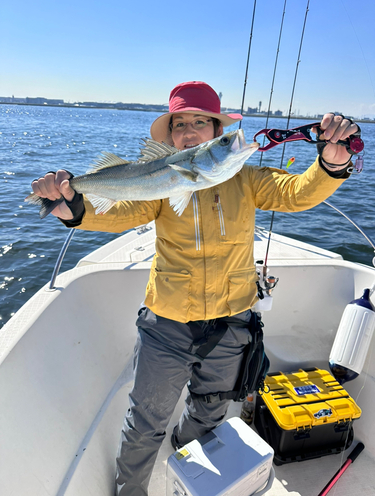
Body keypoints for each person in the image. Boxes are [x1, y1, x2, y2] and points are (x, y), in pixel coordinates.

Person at [31, 81, 359, 495]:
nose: (188, 131)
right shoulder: (163, 181)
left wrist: (330, 165)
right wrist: (74, 208)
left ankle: (188, 456)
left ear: (215, 132)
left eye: (201, 123)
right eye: (179, 124)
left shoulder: (247, 178)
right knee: (145, 420)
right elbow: (123, 212)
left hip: (232, 321)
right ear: (170, 137)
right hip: (166, 321)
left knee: (210, 408)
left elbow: (295, 193)